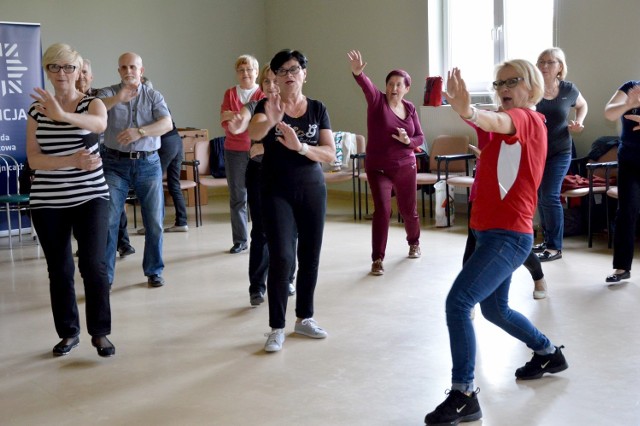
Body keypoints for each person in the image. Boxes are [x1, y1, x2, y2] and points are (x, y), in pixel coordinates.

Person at [424, 62, 568, 425]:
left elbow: (496, 121)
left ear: (531, 85)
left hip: (508, 236)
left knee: (458, 303)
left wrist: (468, 110)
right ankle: (548, 353)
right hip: (490, 233)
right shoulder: (511, 131)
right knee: (494, 311)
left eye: (512, 81)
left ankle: (464, 394)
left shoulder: (529, 119)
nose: (503, 87)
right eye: (499, 82)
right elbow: (499, 137)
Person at [26, 43, 115, 357]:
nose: (61, 73)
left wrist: (62, 115)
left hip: (90, 195)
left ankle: (100, 333)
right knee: (60, 269)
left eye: (68, 67)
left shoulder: (92, 104)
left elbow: (99, 125)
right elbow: (34, 160)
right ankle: (68, 333)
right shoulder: (36, 110)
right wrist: (70, 161)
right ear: (47, 71)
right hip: (48, 200)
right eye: (54, 67)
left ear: (79, 72)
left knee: (94, 265)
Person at [248, 49, 335, 352]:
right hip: (276, 191)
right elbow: (254, 132)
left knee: (310, 255)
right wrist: (271, 119)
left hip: (312, 189)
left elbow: (329, 153)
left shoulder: (318, 108)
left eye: (294, 69)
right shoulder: (266, 105)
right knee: (283, 257)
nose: (289, 75)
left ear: (304, 74)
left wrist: (301, 148)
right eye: (282, 71)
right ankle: (276, 327)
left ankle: (304, 318)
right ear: (274, 76)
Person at [98, 52, 172, 288]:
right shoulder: (108, 93)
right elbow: (95, 109)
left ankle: (154, 270)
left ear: (141, 70)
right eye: (123, 67)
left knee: (154, 221)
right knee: (108, 221)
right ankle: (105, 277)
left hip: (147, 163)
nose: (128, 71)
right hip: (114, 164)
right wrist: (119, 98)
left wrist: (140, 132)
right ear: (118, 71)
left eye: (133, 67)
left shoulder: (153, 96)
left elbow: (166, 124)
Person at [347, 50, 423, 276]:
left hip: (406, 166)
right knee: (382, 210)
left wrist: (408, 141)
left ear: (406, 88)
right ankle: (377, 259)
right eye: (391, 83)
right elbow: (366, 85)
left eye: (399, 84)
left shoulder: (410, 108)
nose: (394, 88)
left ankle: (414, 242)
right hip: (378, 167)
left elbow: (420, 137)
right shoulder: (377, 100)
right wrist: (359, 73)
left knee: (409, 211)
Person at [227, 64, 297, 306]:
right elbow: (246, 121)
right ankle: (257, 287)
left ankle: (288, 277)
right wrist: (238, 124)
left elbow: (296, 141)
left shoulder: (294, 107)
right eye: (266, 82)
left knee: (290, 232)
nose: (270, 86)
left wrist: (266, 147)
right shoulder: (255, 106)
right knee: (261, 232)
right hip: (259, 172)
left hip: (287, 174)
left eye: (274, 81)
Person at [76, 58, 136, 257]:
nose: (81, 76)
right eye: (78, 72)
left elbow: (107, 109)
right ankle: (86, 244)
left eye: (85, 72)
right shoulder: (67, 101)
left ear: (91, 77)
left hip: (104, 155)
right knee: (82, 204)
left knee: (111, 202)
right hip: (78, 158)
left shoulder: (100, 97)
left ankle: (123, 242)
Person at [533, 47, 588, 262]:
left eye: (550, 62)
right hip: (536, 151)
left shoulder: (568, 89)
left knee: (550, 195)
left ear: (560, 67)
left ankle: (555, 247)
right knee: (540, 196)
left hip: (560, 150)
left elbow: (582, 105)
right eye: (541, 61)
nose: (544, 66)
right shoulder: (531, 88)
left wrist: (579, 121)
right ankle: (547, 241)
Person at [220, 54, 265, 254]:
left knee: (259, 197)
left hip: (259, 151)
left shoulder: (263, 94)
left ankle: (261, 237)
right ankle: (240, 240)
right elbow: (225, 120)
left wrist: (237, 116)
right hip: (234, 151)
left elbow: (261, 122)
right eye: (241, 70)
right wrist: (247, 117)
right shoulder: (229, 93)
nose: (245, 73)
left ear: (256, 72)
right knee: (237, 197)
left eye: (249, 69)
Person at [603, 81, 640, 283]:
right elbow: (609, 113)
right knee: (626, 212)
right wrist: (628, 104)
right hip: (629, 161)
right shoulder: (631, 87)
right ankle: (621, 267)